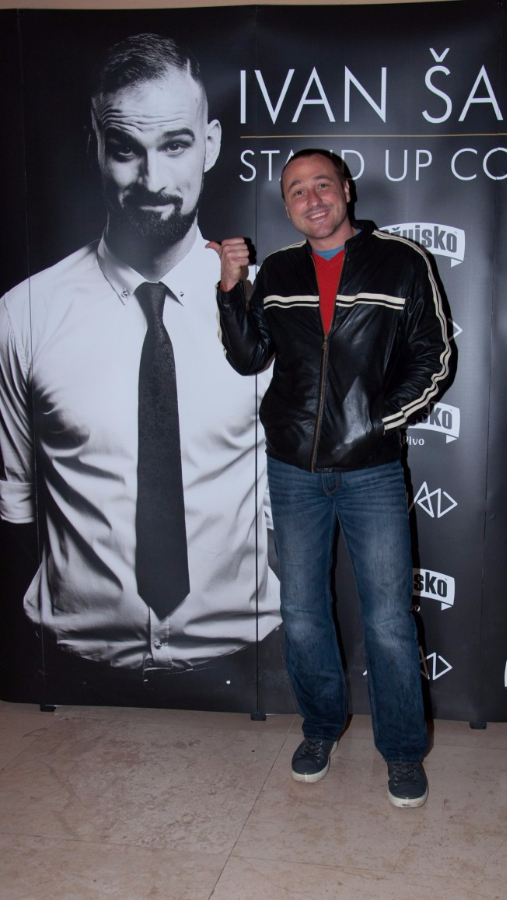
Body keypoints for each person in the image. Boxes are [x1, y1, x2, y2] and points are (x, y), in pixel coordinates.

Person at [0, 33, 284, 711]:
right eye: (126, 148)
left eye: (175, 145)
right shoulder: (24, 314)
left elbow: (293, 497)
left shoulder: (268, 307)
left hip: (250, 668)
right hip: (67, 677)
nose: (153, 180)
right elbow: (14, 503)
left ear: (210, 144)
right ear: (94, 147)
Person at [212, 149, 451, 806]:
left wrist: (375, 423)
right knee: (301, 611)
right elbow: (248, 358)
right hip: (292, 468)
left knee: (389, 619)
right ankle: (320, 729)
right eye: (297, 190)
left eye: (322, 184)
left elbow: (432, 357)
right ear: (286, 205)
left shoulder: (401, 262)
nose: (311, 199)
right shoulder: (279, 270)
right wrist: (231, 289)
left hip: (372, 470)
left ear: (345, 190)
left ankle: (401, 751)